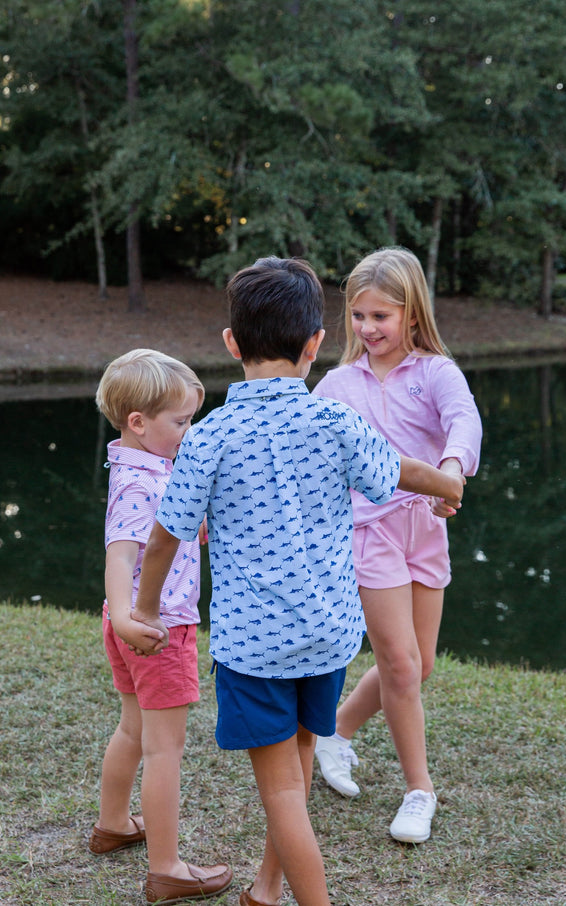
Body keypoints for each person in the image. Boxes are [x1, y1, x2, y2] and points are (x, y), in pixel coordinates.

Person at [128, 257, 464, 906]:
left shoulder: (211, 434)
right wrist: (448, 482)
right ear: (315, 345)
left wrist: (145, 607)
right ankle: (265, 887)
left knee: (282, 790)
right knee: (302, 759)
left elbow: (168, 532)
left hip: (256, 647)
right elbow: (396, 469)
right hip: (329, 634)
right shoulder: (335, 421)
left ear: (231, 344)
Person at [313, 246, 482, 845]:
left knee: (420, 663)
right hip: (368, 531)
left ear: (411, 313)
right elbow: (310, 454)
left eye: (380, 317)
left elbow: (463, 420)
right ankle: (420, 791)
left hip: (426, 525)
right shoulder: (336, 384)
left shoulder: (437, 372)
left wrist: (451, 469)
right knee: (400, 663)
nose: (367, 329)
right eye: (358, 316)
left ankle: (334, 730)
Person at [89, 348, 233, 904]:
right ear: (138, 422)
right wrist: (129, 615)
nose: (189, 431)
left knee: (133, 730)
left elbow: (157, 534)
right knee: (165, 749)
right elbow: (120, 553)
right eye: (181, 421)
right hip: (157, 629)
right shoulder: (139, 484)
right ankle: (168, 867)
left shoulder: (139, 465)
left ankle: (114, 824)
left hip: (128, 625)